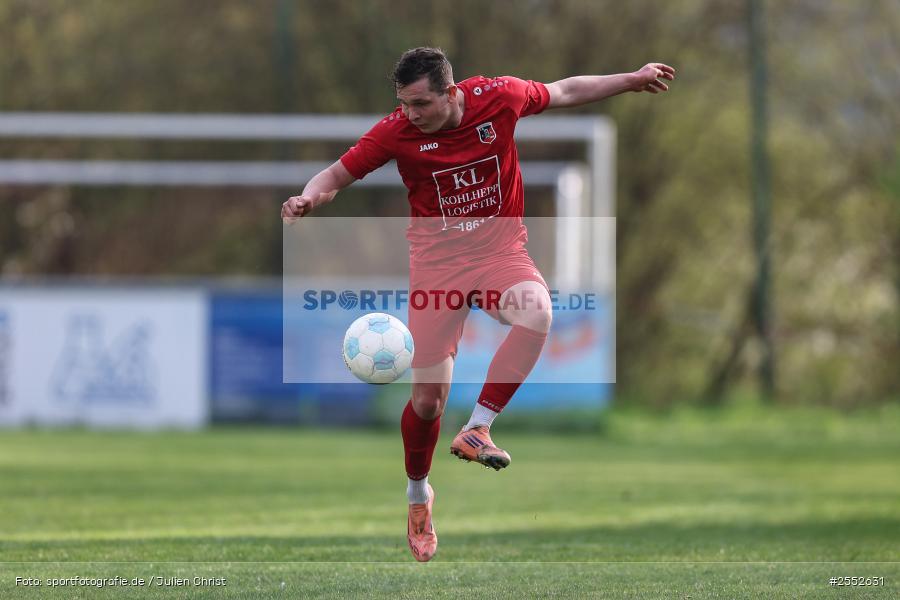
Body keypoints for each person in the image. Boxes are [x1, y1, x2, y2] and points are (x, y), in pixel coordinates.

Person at [281, 47, 674, 562]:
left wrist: (631, 79)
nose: (411, 113)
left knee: (537, 308)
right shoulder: (395, 132)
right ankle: (419, 495)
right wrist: (307, 199)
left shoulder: (499, 97)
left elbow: (564, 90)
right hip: (437, 269)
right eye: (404, 103)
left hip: (499, 254)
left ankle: (479, 427)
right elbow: (335, 176)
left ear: (450, 91)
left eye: (420, 102)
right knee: (427, 403)